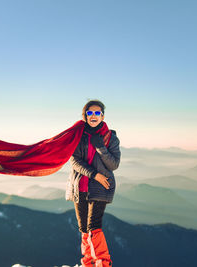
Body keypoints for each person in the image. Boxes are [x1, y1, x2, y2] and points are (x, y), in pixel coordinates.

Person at [65, 100, 121, 267]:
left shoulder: (110, 137)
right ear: (85, 116)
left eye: (97, 113)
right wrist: (94, 174)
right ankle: (88, 263)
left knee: (93, 227)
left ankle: (103, 263)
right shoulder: (78, 136)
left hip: (100, 188)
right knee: (83, 229)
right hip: (79, 186)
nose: (94, 116)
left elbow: (114, 164)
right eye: (90, 113)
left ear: (102, 116)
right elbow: (74, 161)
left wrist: (101, 148)